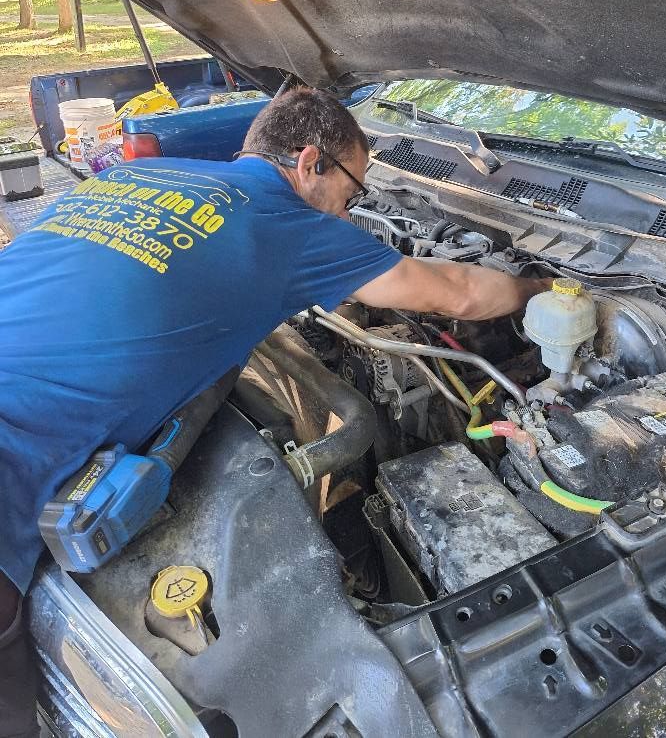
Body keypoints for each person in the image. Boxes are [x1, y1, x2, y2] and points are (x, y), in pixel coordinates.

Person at [0, 88, 549, 735]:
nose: (352, 209)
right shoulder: (286, 227)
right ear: (312, 162)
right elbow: (456, 292)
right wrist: (546, 290)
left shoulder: (139, 173)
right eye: (354, 190)